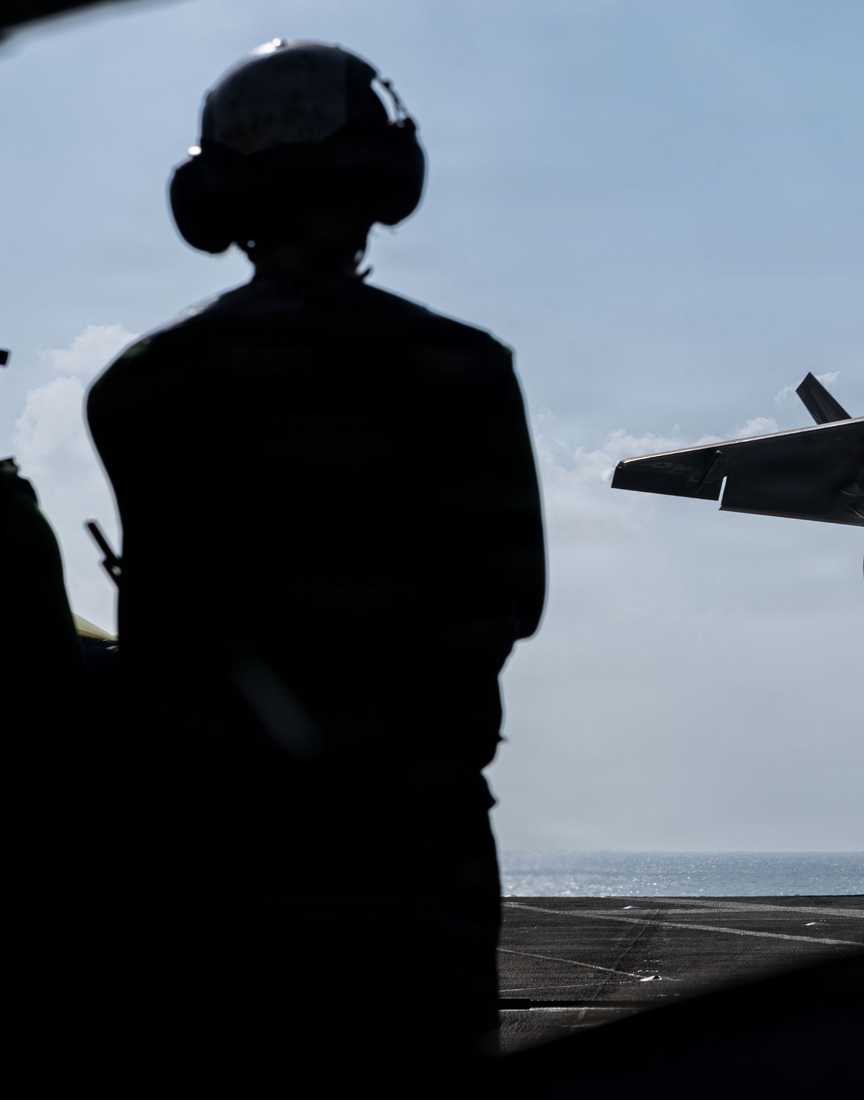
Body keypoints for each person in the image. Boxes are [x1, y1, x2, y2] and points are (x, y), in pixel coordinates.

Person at [86, 39, 545, 1075]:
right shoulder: (464, 371)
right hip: (417, 850)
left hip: (213, 861)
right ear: (379, 173)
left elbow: (162, 635)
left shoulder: (139, 389)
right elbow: (513, 597)